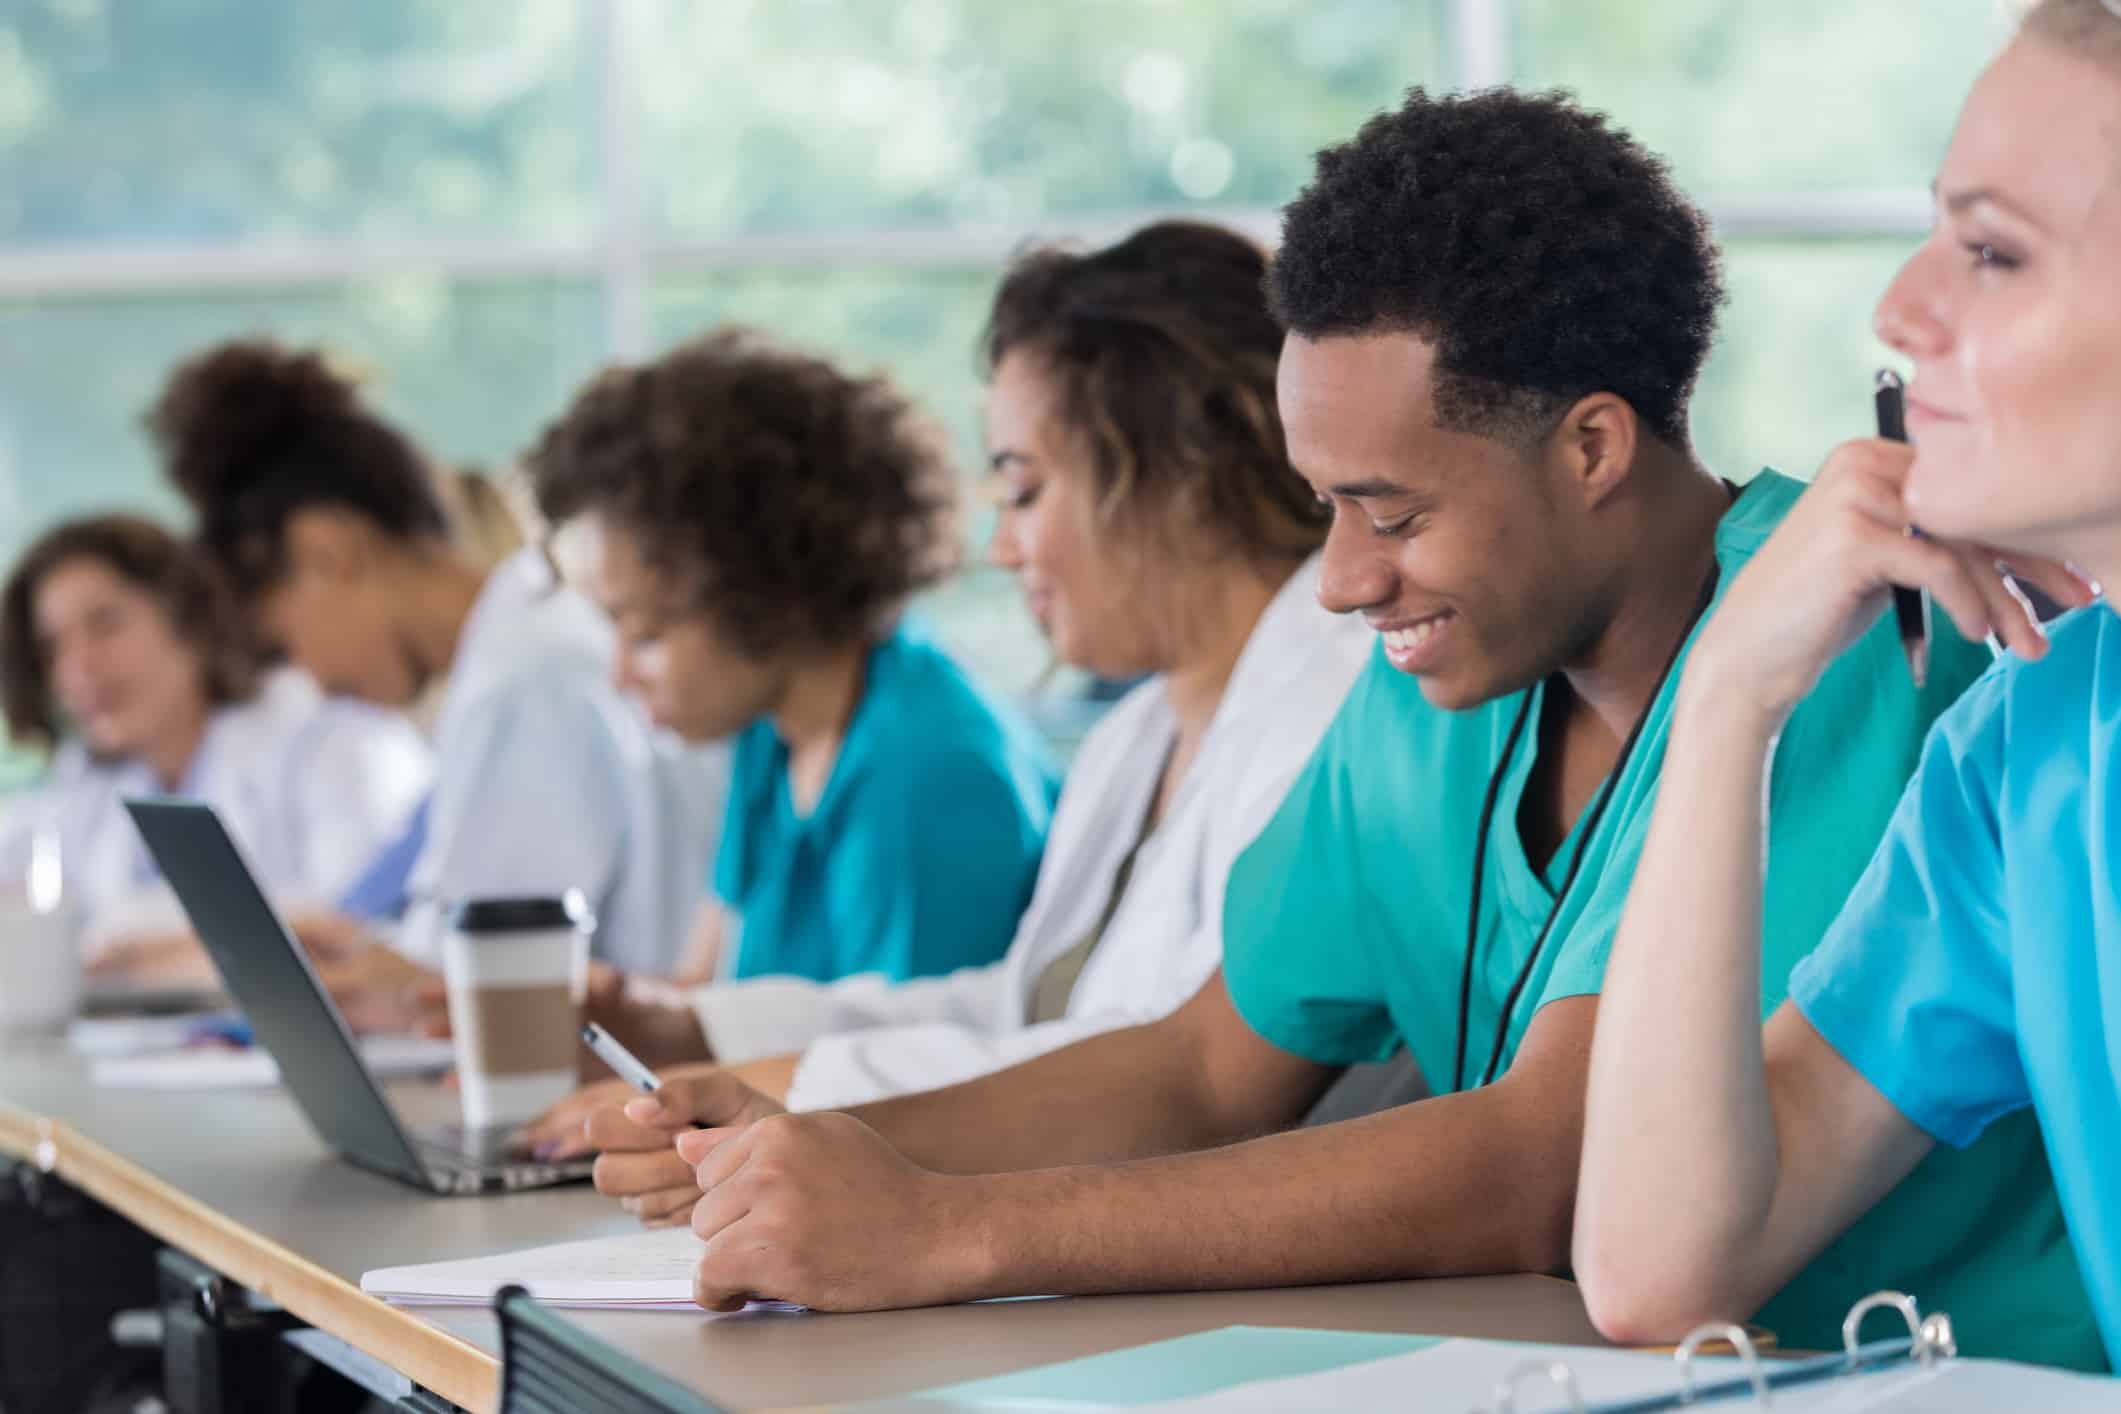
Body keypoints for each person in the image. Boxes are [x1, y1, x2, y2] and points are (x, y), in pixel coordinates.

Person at [547, 90, 2087, 1361]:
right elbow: (1210, 1065)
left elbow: (1541, 1163)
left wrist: (951, 1227)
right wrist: (815, 1132)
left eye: (1392, 512)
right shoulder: (1441, 686)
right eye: (1325, 510)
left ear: (1592, 446)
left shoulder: (1847, 648)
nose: (1343, 581)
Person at [524, 221, 1369, 1159]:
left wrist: (785, 1095)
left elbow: (1169, 1072)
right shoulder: (1139, 734)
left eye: (1024, 490)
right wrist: (698, 1038)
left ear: (1178, 465)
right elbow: (1016, 1008)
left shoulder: (1337, 705)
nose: (1001, 547)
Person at [1573, 0, 2121, 1373]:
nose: (1899, 311)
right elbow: (1662, 1264)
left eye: (1991, 254)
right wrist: (1729, 693)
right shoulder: (2035, 743)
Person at [517, 325, 1059, 1063]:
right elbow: (696, 996)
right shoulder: (773, 731)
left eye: (645, 633)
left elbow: (916, 1081)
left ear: (763, 594)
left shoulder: (924, 771)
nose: (619, 674)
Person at [145, 340, 722, 982]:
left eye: (285, 643)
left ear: (329, 551)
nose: (316, 681)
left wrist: (366, 975)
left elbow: (495, 977)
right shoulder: (523, 640)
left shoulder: (527, 677)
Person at [0, 514, 429, 969]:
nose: (77, 667)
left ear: (188, 620)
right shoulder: (88, 785)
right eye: (53, 647)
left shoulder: (333, 742)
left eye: (105, 625)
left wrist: (136, 961)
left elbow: (347, 943)